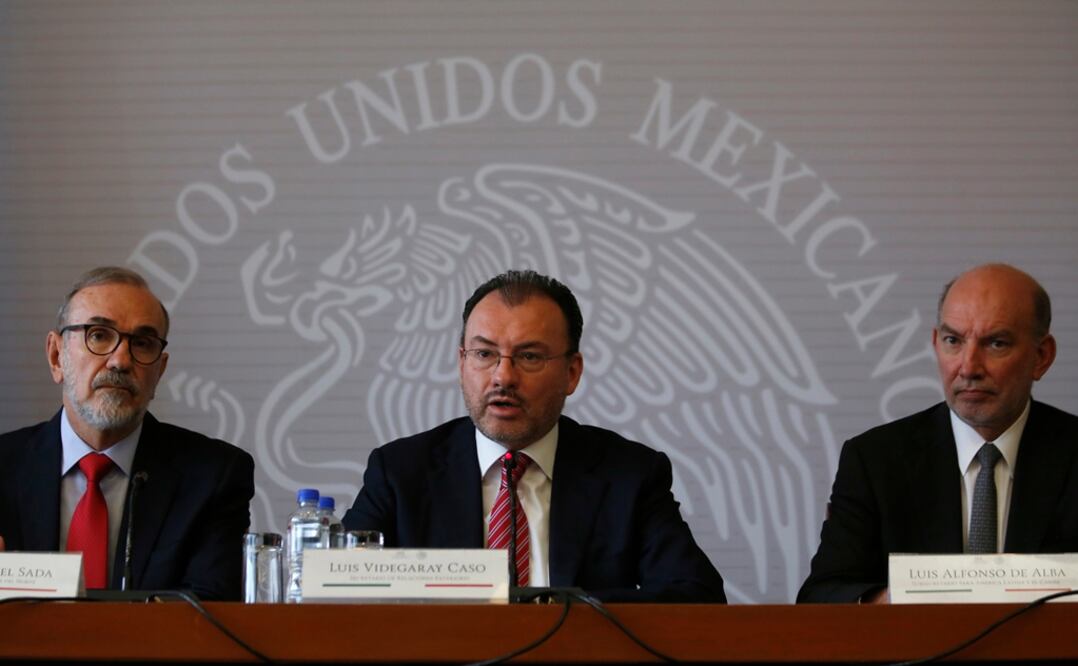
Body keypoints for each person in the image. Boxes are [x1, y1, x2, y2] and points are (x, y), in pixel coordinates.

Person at [343, 270, 726, 602]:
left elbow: (697, 596)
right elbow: (334, 592)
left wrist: (556, 609)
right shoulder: (399, 472)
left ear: (572, 372)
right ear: (462, 363)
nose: (503, 377)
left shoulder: (629, 475)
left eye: (529, 357)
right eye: (484, 354)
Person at [798, 263, 1078, 603]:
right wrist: (887, 603)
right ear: (935, 343)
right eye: (953, 341)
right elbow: (822, 596)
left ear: (1041, 357)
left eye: (997, 343)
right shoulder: (875, 460)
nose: (969, 367)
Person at [0, 266, 254, 600]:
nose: (120, 361)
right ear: (56, 356)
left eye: (143, 343)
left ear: (159, 371)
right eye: (99, 335)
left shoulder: (213, 476)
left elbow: (207, 617)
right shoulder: (5, 466)